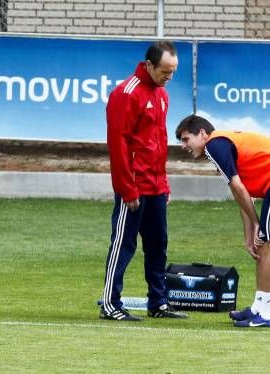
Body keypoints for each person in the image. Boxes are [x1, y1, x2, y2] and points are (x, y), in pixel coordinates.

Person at [175, 115, 270, 328]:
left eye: (186, 139)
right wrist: (249, 235)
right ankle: (259, 307)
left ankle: (267, 314)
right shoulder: (219, 145)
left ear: (202, 133)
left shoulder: (214, 145)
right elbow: (241, 193)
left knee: (267, 245)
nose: (183, 146)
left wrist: (256, 224)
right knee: (261, 244)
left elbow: (238, 188)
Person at [100, 41, 187, 321]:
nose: (169, 78)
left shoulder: (162, 95)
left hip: (157, 186)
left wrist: (165, 184)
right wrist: (127, 188)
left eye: (173, 72)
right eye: (165, 71)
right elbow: (119, 144)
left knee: (158, 245)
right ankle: (110, 304)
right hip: (134, 188)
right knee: (123, 245)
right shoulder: (126, 94)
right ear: (149, 65)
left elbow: (158, 143)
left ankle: (158, 303)